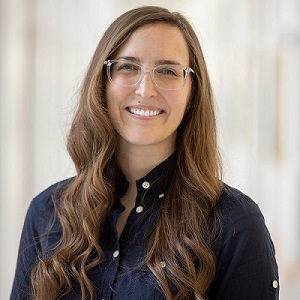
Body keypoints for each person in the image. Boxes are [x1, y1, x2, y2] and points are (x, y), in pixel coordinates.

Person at [10, 5, 279, 300]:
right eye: (127, 67)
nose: (146, 89)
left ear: (192, 93)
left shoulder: (235, 225)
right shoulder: (46, 213)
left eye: (167, 71)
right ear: (102, 83)